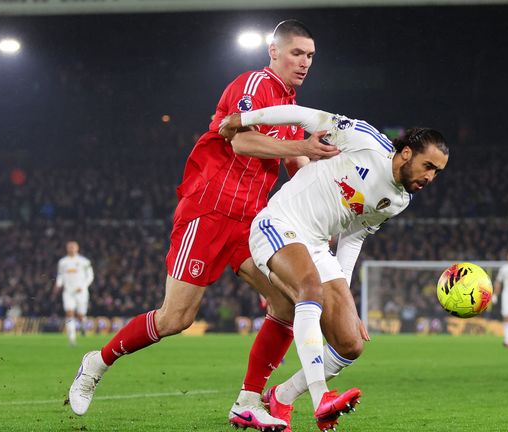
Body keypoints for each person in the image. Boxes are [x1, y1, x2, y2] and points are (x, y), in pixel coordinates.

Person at [68, 20, 340, 426]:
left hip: (251, 221)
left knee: (287, 299)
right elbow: (241, 140)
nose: (305, 62)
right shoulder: (253, 86)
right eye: (297, 53)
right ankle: (97, 362)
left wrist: (322, 208)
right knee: (175, 319)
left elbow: (293, 163)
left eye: (311, 56)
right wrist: (303, 146)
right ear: (274, 52)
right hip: (208, 211)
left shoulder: (291, 105)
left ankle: (248, 401)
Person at [220, 104, 449, 431]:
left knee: (350, 343)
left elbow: (352, 238)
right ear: (406, 153)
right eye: (428, 166)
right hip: (280, 223)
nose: (430, 177)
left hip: (315, 246)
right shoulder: (365, 139)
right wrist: (241, 120)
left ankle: (282, 396)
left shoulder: (398, 201)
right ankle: (321, 399)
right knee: (309, 288)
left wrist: (345, 296)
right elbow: (300, 114)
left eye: (437, 172)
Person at [54, 241, 94, 346]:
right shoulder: (62, 262)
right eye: (69, 247)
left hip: (81, 292)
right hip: (68, 292)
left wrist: (83, 286)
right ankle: (72, 340)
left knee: (81, 315)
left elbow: (90, 276)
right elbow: (60, 275)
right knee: (69, 313)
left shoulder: (84, 261)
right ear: (67, 248)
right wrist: (58, 285)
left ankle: (83, 327)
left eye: (73, 247)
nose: (71, 249)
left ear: (77, 248)